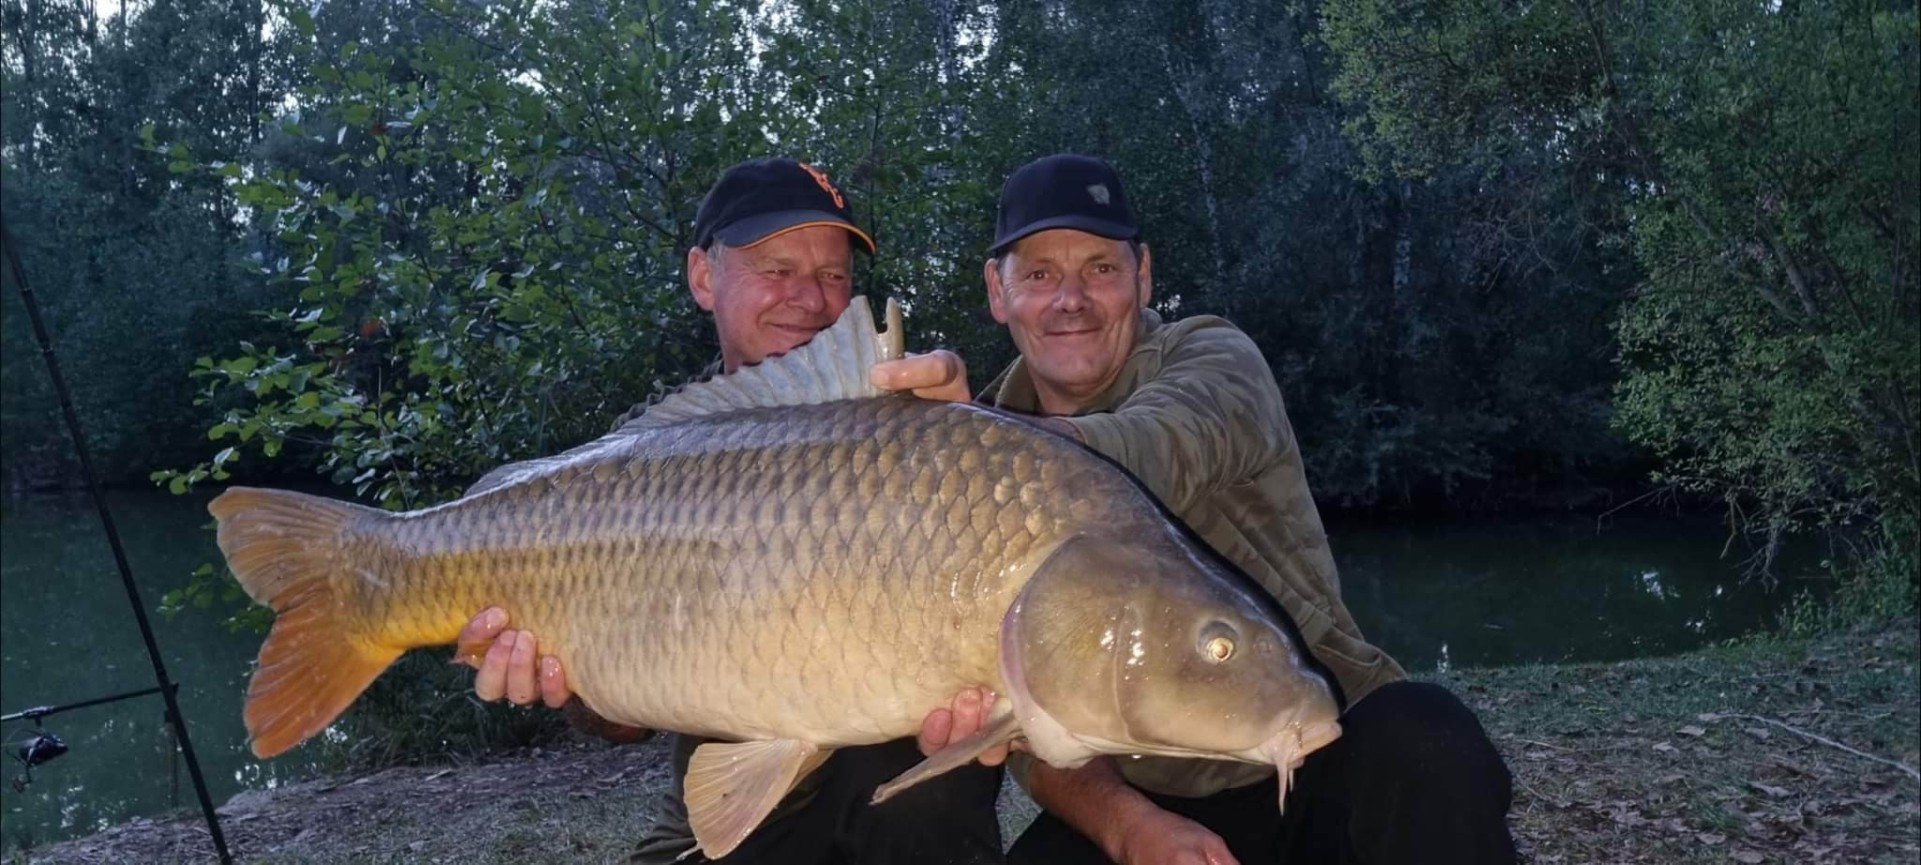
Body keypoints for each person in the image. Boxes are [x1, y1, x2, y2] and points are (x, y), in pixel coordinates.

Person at [900, 153, 1518, 865]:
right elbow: (1024, 728)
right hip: (1150, 796)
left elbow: (1164, 442)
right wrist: (1131, 827)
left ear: (1143, 275)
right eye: (1038, 274)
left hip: (1325, 747)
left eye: (1100, 268)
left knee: (1426, 737)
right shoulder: (965, 463)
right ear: (997, 291)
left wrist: (979, 455)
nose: (1071, 298)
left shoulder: (1211, 357)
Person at [454, 156, 1005, 865]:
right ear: (703, 276)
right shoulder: (641, 454)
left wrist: (970, 435)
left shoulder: (917, 421)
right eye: (776, 267)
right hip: (741, 784)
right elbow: (618, 720)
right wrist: (569, 678)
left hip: (911, 797)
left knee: (908, 787)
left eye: (834, 275)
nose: (810, 297)